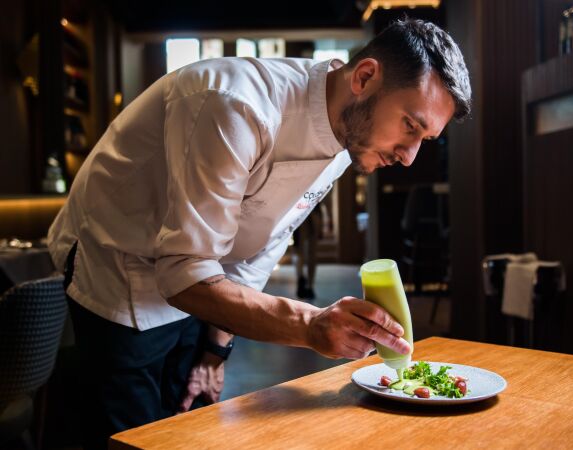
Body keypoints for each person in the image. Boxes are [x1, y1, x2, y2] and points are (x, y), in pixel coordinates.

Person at [47, 18, 471, 449]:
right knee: (133, 434)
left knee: (188, 422)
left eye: (426, 139)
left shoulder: (347, 138)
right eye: (410, 127)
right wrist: (310, 325)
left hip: (197, 279)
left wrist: (216, 351)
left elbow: (260, 247)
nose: (409, 157)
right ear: (365, 77)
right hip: (119, 269)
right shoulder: (235, 105)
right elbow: (182, 273)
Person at [293, 202, 323, 300]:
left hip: (299, 209)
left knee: (300, 251)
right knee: (311, 253)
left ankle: (301, 277)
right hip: (313, 210)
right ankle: (310, 286)